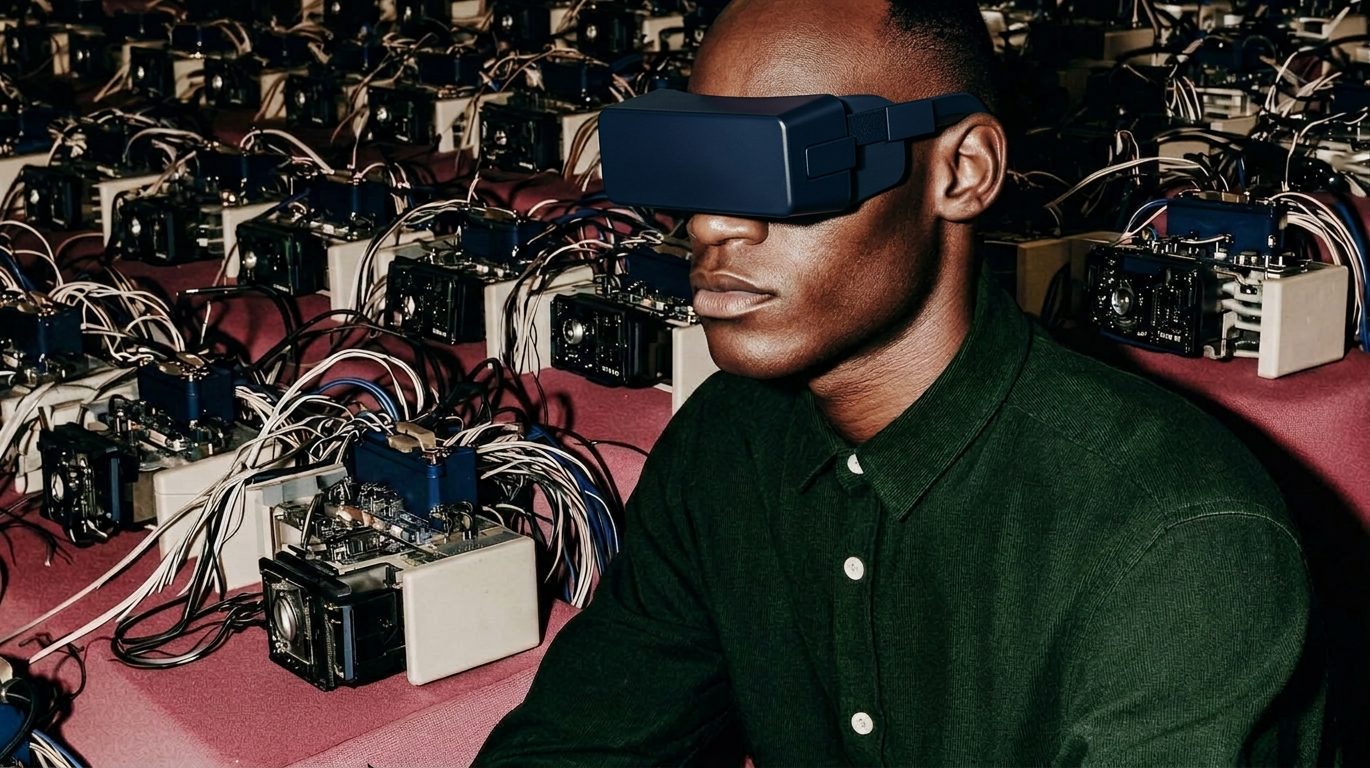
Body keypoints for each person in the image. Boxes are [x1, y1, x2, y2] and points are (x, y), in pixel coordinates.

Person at [475, 0, 1326, 764]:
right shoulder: (727, 439)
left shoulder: (1180, 546)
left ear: (962, 173)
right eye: (696, 162)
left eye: (785, 163)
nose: (711, 223)